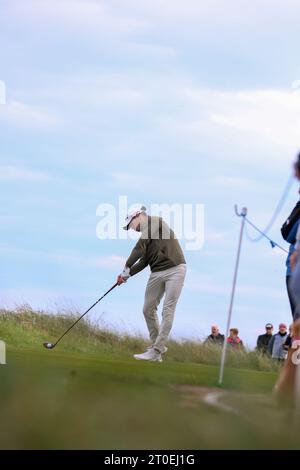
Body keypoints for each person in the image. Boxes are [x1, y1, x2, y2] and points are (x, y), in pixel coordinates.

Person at [117, 206, 186, 362]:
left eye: (131, 225)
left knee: (167, 309)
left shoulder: (156, 222)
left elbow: (139, 247)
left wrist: (126, 265)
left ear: (138, 216)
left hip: (175, 269)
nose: (131, 229)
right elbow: (144, 261)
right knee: (148, 308)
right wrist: (126, 275)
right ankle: (156, 351)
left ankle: (156, 349)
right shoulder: (146, 236)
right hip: (157, 272)